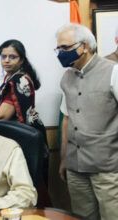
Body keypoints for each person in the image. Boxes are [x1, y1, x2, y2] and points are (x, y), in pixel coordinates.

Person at [56, 23, 118, 219]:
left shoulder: (113, 72)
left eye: (65, 48)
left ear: (84, 46)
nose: (60, 53)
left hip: (108, 168)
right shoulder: (67, 77)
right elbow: (67, 119)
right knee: (82, 216)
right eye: (58, 48)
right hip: (75, 167)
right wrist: (64, 159)